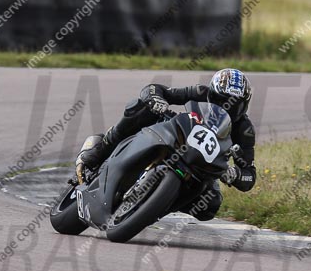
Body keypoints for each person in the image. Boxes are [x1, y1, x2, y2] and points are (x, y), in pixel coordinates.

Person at [77, 68, 257, 221]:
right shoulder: (200, 93)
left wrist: (235, 174)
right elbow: (158, 90)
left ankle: (157, 205)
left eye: (234, 105)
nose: (226, 107)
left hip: (204, 167)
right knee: (142, 109)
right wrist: (157, 100)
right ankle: (100, 150)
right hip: (176, 137)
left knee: (210, 205)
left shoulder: (244, 130)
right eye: (221, 100)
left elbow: (249, 175)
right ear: (212, 94)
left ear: (244, 106)